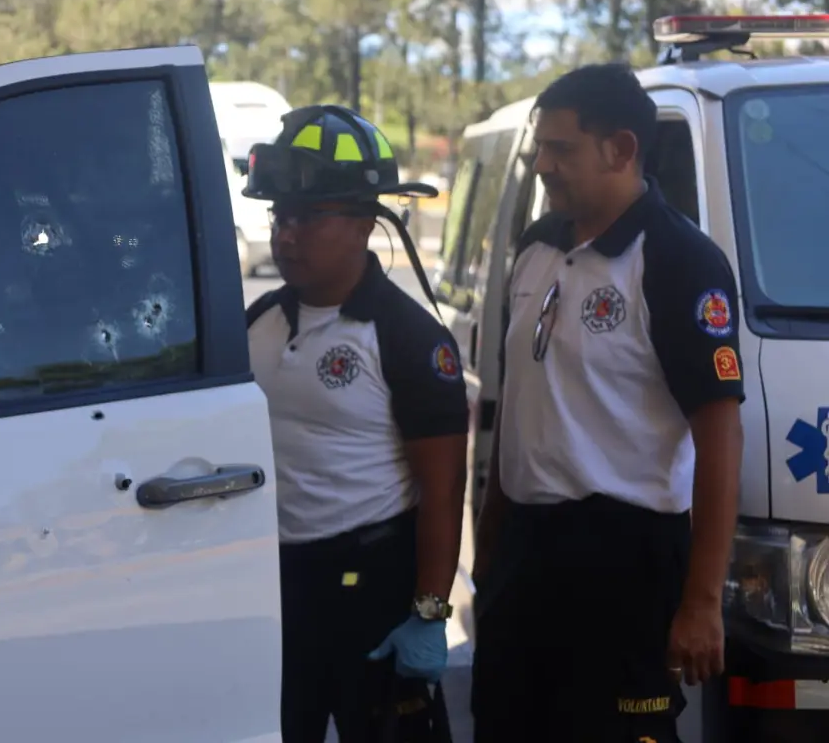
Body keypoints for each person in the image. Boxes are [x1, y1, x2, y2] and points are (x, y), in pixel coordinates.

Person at [470, 63, 745, 742]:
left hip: (626, 562)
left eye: (560, 149)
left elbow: (720, 436)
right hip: (526, 553)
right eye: (541, 148)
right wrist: (491, 547)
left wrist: (703, 602)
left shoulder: (680, 260)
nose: (541, 165)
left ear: (620, 150)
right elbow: (524, 412)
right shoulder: (535, 250)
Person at [242, 105, 470, 742]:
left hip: (374, 594)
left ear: (367, 223)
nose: (287, 236)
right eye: (280, 217)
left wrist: (428, 613)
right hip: (279, 590)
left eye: (309, 218)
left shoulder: (406, 338)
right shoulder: (256, 323)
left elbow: (443, 492)